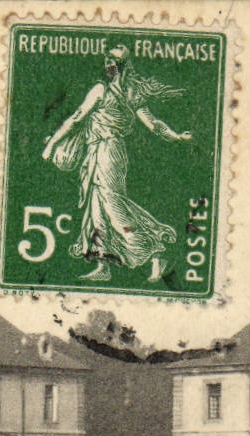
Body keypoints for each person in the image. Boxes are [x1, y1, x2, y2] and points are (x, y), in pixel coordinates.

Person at [41, 43, 193, 283]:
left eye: (112, 61)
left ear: (122, 65)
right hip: (101, 151)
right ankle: (103, 265)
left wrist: (51, 145)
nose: (108, 65)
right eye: (106, 60)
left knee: (112, 206)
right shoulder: (129, 92)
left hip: (108, 152)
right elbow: (152, 123)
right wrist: (174, 135)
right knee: (96, 208)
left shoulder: (103, 90)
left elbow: (77, 118)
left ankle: (155, 252)